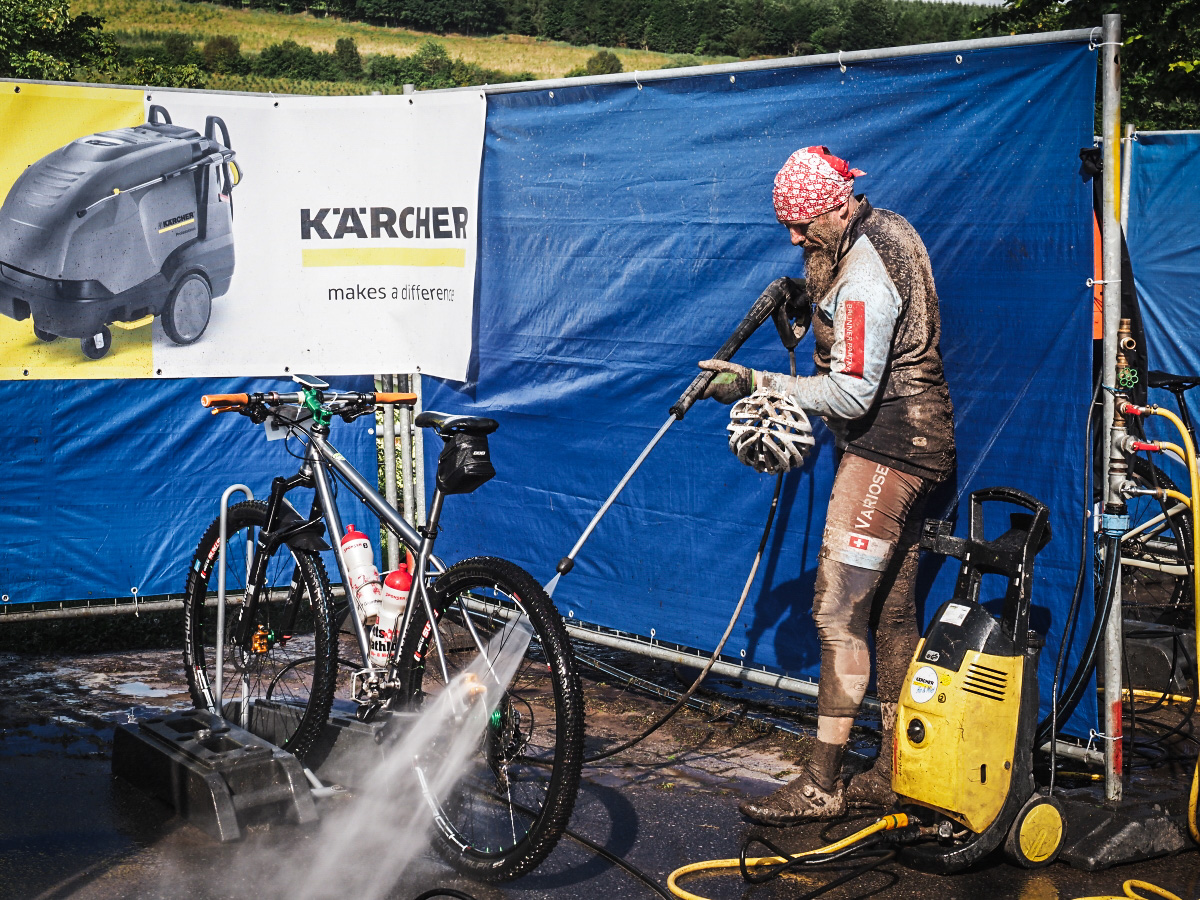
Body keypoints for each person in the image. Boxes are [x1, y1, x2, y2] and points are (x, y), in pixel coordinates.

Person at [699, 146, 955, 825]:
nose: (792, 237)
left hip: (889, 447)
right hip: (918, 441)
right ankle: (899, 773)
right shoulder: (883, 228)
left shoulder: (864, 272)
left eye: (802, 224)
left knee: (838, 613)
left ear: (840, 207)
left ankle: (821, 785)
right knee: (891, 614)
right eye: (786, 224)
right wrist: (809, 296)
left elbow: (849, 393)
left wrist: (754, 383)